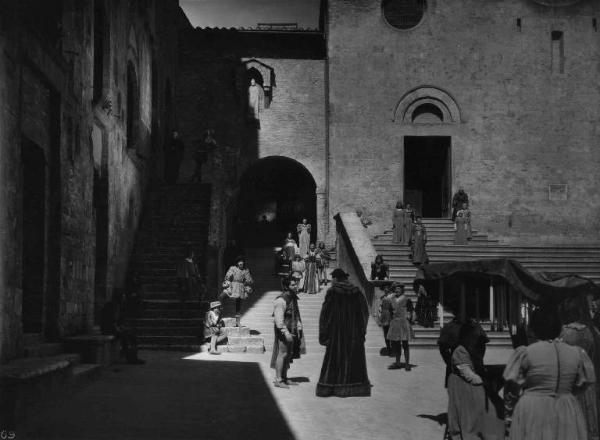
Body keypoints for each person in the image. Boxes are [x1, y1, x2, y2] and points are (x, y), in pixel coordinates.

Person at [503, 307, 596, 440]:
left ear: (534, 328)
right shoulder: (576, 353)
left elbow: (511, 388)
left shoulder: (526, 353)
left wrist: (509, 415)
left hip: (533, 408)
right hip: (566, 408)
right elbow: (584, 382)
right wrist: (566, 391)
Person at [316, 268, 371, 397]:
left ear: (336, 278)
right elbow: (365, 313)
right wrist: (361, 330)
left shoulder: (333, 292)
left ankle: (332, 388)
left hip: (337, 333)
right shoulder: (356, 291)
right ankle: (355, 388)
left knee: (335, 359)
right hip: (354, 333)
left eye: (332, 278)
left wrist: (324, 334)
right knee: (353, 360)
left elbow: (326, 314)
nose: (331, 281)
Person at [447, 321, 504, 440]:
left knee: (489, 403)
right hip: (461, 385)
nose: (474, 340)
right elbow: (468, 374)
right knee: (469, 412)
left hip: (468, 384)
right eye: (472, 337)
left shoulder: (469, 349)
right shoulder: (460, 350)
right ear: (465, 337)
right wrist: (484, 382)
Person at [559, 295, 600, 440]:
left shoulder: (563, 332)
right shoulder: (590, 331)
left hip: (569, 382)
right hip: (587, 381)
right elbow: (593, 355)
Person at [271, 277, 305, 388]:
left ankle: (284, 378)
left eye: (296, 284)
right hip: (284, 331)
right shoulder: (281, 300)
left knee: (288, 355)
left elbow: (296, 314)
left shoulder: (293, 298)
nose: (296, 286)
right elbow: (278, 320)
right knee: (282, 354)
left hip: (293, 329)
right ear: (286, 287)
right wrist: (285, 332)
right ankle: (278, 380)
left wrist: (298, 327)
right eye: (293, 285)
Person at [100, 290, 145, 364]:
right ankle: (131, 359)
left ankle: (132, 357)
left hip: (112, 329)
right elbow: (110, 321)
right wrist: (119, 329)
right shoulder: (112, 306)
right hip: (108, 330)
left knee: (131, 336)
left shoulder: (118, 306)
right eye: (123, 296)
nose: (124, 298)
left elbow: (119, 321)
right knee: (127, 338)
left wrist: (122, 328)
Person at [385, 282, 414, 371]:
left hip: (403, 323)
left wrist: (409, 319)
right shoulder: (391, 299)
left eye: (399, 289)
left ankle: (407, 364)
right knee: (396, 344)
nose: (397, 290)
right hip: (394, 323)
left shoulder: (407, 299)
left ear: (402, 290)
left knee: (405, 344)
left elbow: (411, 310)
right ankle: (397, 363)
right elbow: (389, 311)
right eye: (396, 289)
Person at [220, 257, 253, 327]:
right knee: (221, 296)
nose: (241, 263)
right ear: (237, 263)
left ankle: (238, 321)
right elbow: (227, 276)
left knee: (238, 304)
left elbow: (249, 280)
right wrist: (228, 279)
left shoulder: (245, 270)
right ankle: (219, 313)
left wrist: (248, 281)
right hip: (232, 285)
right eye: (239, 262)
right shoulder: (232, 268)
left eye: (242, 262)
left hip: (240, 288)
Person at [438, 316, 463, 388]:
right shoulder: (450, 327)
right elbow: (442, 345)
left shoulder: (472, 327)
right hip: (454, 358)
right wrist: (449, 362)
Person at [377, 285, 394, 355]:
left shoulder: (392, 298)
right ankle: (389, 348)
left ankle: (392, 348)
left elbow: (394, 307)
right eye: (385, 290)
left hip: (391, 316)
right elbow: (379, 308)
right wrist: (380, 316)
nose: (386, 291)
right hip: (384, 316)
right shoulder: (382, 298)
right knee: (386, 333)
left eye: (387, 290)